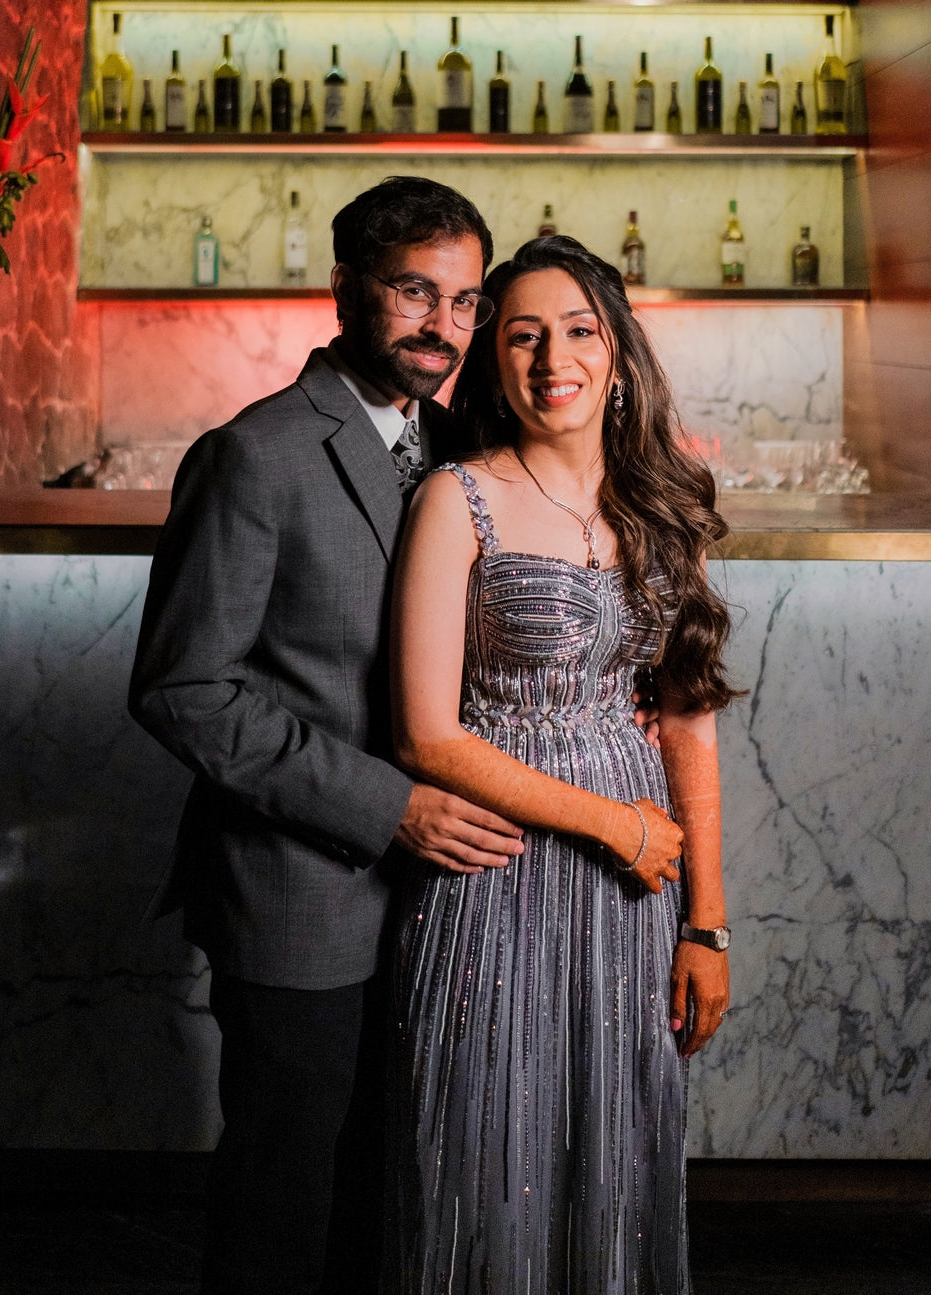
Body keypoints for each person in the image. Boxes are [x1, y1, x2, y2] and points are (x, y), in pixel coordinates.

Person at [128, 177, 526, 1295]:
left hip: (437, 896)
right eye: (415, 292)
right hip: (298, 887)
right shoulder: (256, 454)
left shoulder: (459, 447)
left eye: (465, 301)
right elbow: (184, 687)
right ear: (346, 288)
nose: (444, 325)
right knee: (285, 1195)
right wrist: (388, 806)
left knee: (385, 1186)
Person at [384, 235, 741, 1294]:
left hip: (637, 895)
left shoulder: (665, 505)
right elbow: (426, 735)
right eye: (523, 336)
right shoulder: (456, 496)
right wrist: (613, 822)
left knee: (616, 1151)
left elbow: (690, 723)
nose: (554, 360)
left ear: (617, 352)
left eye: (580, 331)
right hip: (495, 868)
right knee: (481, 1154)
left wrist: (707, 923)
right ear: (493, 360)